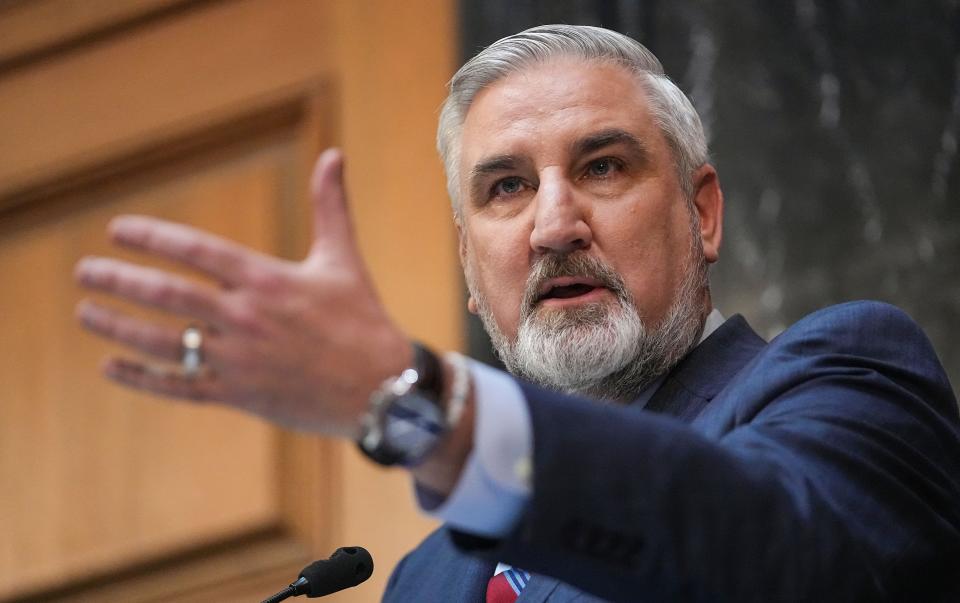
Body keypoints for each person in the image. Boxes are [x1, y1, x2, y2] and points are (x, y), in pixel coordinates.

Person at [75, 25, 960, 602]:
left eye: (604, 166)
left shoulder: (853, 378)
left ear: (702, 213)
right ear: (470, 264)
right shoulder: (425, 581)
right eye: (505, 188)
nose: (552, 225)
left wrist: (420, 403)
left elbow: (768, 558)